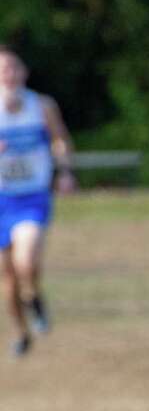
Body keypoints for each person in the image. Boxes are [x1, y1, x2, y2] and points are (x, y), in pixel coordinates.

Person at [0, 46, 75, 357]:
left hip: (31, 195)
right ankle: (20, 331)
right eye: (3, 70)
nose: (9, 74)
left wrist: (64, 170)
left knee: (26, 261)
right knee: (7, 279)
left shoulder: (41, 105)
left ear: (24, 72)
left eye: (14, 68)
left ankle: (35, 296)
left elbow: (60, 139)